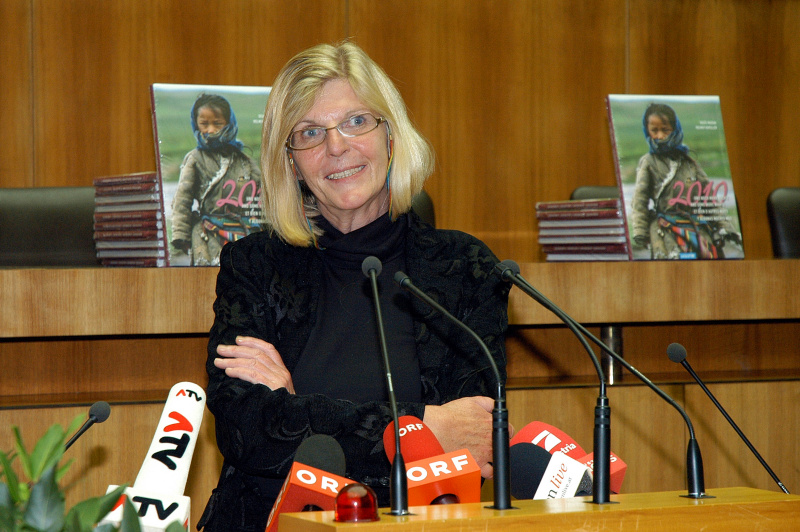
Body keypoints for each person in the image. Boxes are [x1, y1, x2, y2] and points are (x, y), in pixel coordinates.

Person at [197, 41, 511, 531]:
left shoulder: (464, 269)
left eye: (356, 121)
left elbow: (472, 443)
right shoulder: (254, 265)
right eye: (309, 133)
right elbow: (247, 432)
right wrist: (421, 427)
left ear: (391, 135)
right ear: (291, 161)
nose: (336, 147)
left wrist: (296, 409)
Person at [630, 102, 742, 259]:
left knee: (710, 259)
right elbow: (639, 200)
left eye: (665, 130)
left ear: (675, 129)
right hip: (664, 229)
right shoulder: (648, 162)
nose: (660, 136)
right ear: (647, 131)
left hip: (695, 225)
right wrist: (640, 231)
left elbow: (709, 197)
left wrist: (725, 227)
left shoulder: (689, 163)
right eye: (654, 130)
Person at [171, 93, 263, 266]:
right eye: (204, 124)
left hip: (243, 233)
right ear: (196, 124)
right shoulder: (195, 159)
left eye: (217, 123)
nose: (211, 130)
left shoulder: (244, 161)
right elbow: (182, 200)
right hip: (207, 234)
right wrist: (181, 236)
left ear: (229, 123)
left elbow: (262, 198)